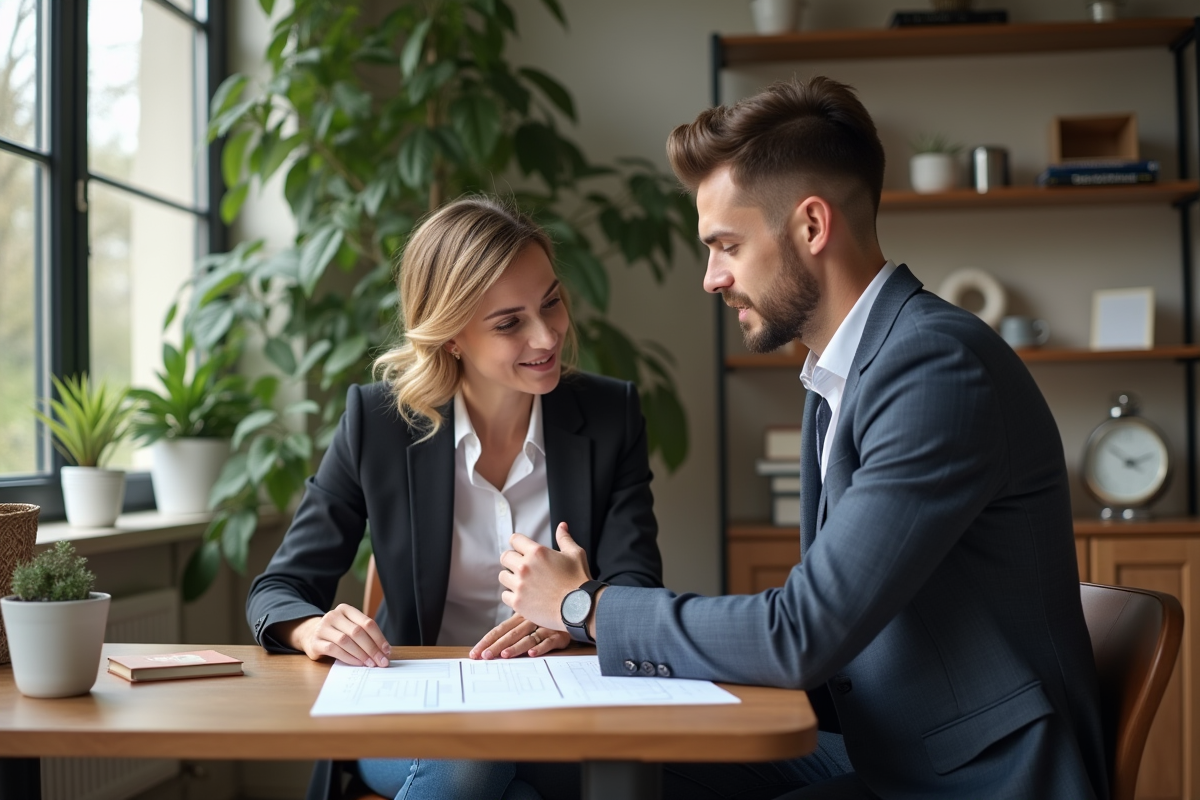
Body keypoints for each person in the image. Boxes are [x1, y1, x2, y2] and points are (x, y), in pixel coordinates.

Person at [497, 77, 1109, 799]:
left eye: (725, 245)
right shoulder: (841, 373)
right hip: (887, 748)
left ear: (812, 227)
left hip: (978, 780)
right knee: (562, 764)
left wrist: (586, 607)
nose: (711, 279)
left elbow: (801, 632)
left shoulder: (935, 370)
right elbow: (822, 635)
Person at [246, 197, 663, 800]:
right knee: (473, 763)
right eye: (508, 322)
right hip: (418, 717)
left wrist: (579, 613)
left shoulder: (608, 414)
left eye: (551, 301)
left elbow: (639, 589)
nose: (547, 335)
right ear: (452, 337)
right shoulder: (379, 424)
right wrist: (313, 629)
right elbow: (278, 590)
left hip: (563, 709)